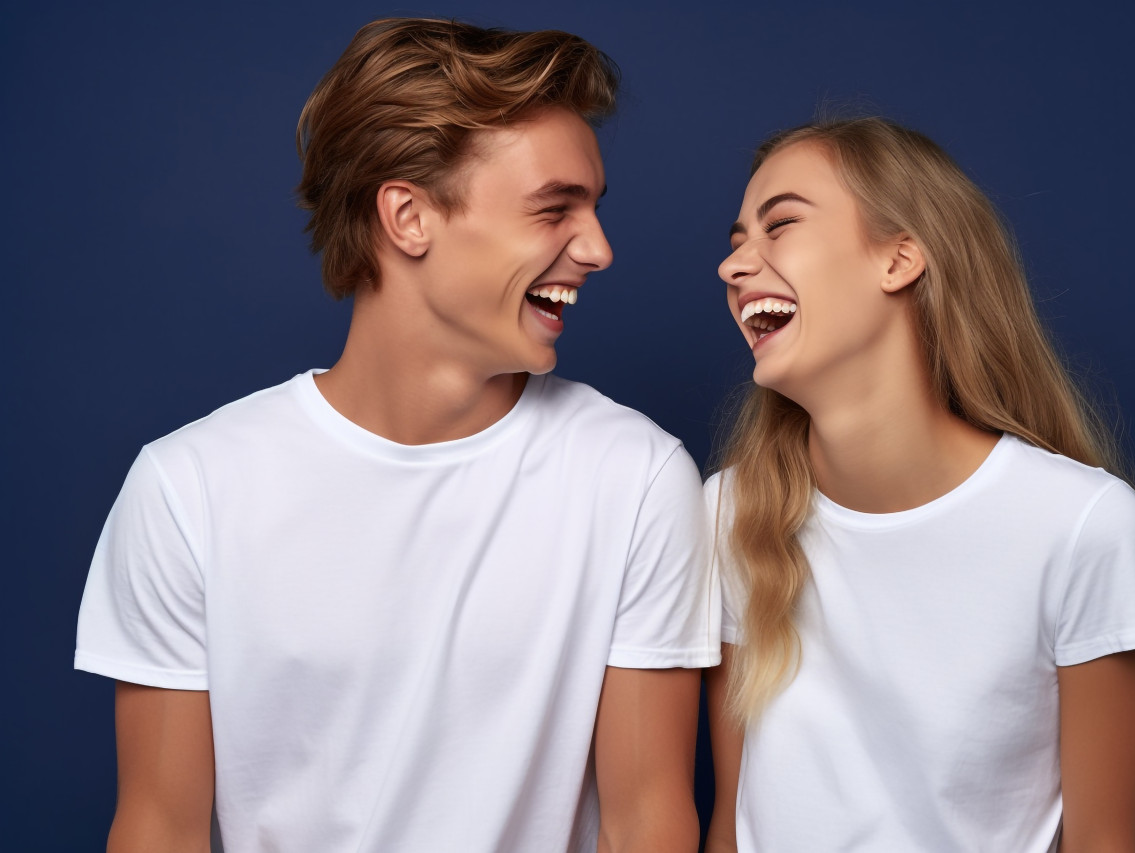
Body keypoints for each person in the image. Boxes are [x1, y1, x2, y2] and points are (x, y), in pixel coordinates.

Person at [75, 18, 717, 853]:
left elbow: (648, 824)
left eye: (593, 208)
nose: (597, 248)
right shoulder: (188, 489)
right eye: (555, 209)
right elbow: (160, 828)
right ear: (408, 216)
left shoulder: (633, 478)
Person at [703, 118, 1135, 852]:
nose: (734, 267)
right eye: (735, 243)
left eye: (780, 225)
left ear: (900, 257)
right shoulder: (730, 512)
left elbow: (1105, 842)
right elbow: (729, 825)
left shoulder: (1084, 527)